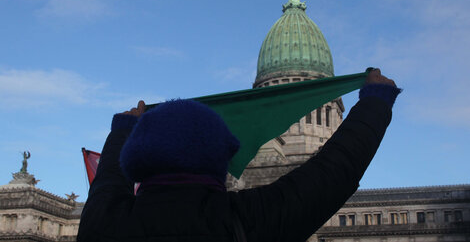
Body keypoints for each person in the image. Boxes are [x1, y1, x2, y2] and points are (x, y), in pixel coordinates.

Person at [78, 69, 400, 242]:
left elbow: (107, 182)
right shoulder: (245, 219)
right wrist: (375, 103)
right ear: (219, 154)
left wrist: (122, 132)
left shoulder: (106, 224)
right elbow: (333, 173)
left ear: (139, 158)